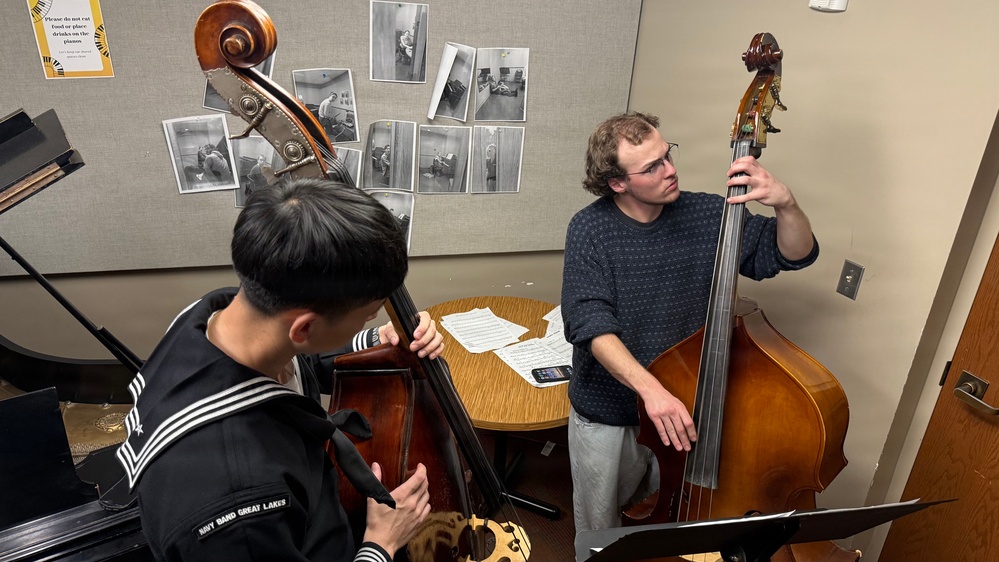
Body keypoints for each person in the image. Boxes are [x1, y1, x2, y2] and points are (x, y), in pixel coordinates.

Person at [116, 178, 445, 562]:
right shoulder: (241, 508)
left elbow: (302, 357)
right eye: (365, 317)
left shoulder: (216, 316)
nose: (368, 323)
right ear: (304, 328)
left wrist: (378, 342)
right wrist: (380, 543)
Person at [561, 111, 818, 534]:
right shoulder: (590, 229)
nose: (670, 171)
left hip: (684, 410)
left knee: (670, 521)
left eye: (668, 155)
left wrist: (786, 204)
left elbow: (790, 254)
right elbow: (590, 325)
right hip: (611, 414)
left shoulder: (707, 214)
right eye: (652, 167)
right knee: (601, 532)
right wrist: (651, 392)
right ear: (617, 183)